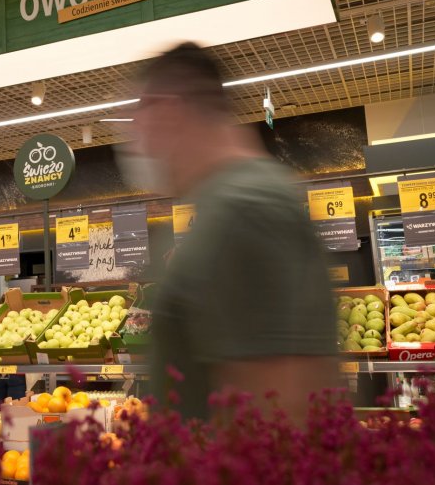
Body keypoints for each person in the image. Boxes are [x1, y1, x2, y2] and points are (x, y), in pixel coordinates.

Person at [118, 42, 337, 422]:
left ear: (169, 112)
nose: (137, 141)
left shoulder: (245, 208)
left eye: (140, 118)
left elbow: (279, 405)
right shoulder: (228, 203)